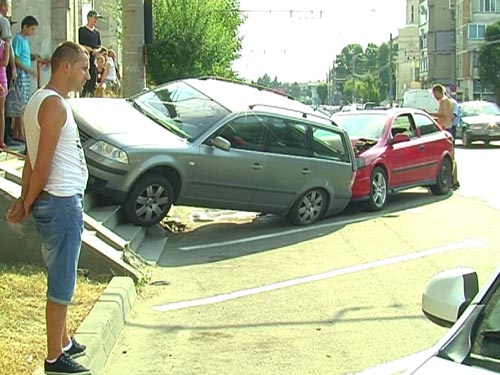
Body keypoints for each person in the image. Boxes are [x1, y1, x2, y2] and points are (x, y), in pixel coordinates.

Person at [6, 41, 91, 375]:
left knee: (60, 274)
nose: (87, 74)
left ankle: (65, 340)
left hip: (54, 200)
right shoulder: (54, 106)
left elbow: (30, 159)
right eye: (83, 68)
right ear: (65, 67)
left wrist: (24, 197)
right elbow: (41, 163)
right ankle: (55, 357)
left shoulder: (37, 101)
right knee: (62, 283)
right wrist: (26, 200)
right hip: (62, 202)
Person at [11, 15, 39, 142]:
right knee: (20, 104)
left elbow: (23, 55)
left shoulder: (25, 40)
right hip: (21, 73)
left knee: (23, 103)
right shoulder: (18, 39)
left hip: (25, 74)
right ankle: (20, 133)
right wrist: (28, 70)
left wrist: (32, 56)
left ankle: (19, 132)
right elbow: (15, 57)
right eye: (32, 29)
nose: (33, 32)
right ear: (25, 27)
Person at [78, 9, 102, 97]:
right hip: (83, 59)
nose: (96, 20)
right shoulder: (82, 30)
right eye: (95, 18)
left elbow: (99, 46)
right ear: (89, 18)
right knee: (84, 81)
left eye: (97, 18)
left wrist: (96, 50)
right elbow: (77, 44)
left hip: (93, 61)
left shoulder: (96, 33)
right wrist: (86, 48)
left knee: (92, 82)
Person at [0, 22, 9, 149]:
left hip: (1, 78)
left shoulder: (4, 44)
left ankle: (1, 140)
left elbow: (5, 62)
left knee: (1, 111)